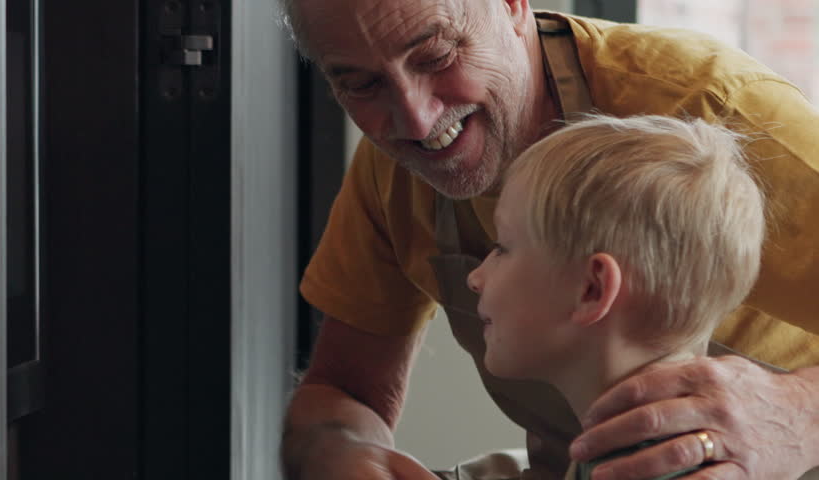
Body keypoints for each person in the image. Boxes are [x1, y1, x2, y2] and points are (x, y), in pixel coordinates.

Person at [278, 0, 819, 478]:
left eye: (437, 55)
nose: (417, 121)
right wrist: (344, 454)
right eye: (361, 84)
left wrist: (797, 415)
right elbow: (339, 397)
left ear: (513, 6)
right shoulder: (393, 167)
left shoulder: (721, 109)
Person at [466, 114, 766, 479]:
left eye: (502, 247)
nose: (475, 277)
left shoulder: (636, 466)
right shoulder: (656, 446)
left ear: (591, 290)